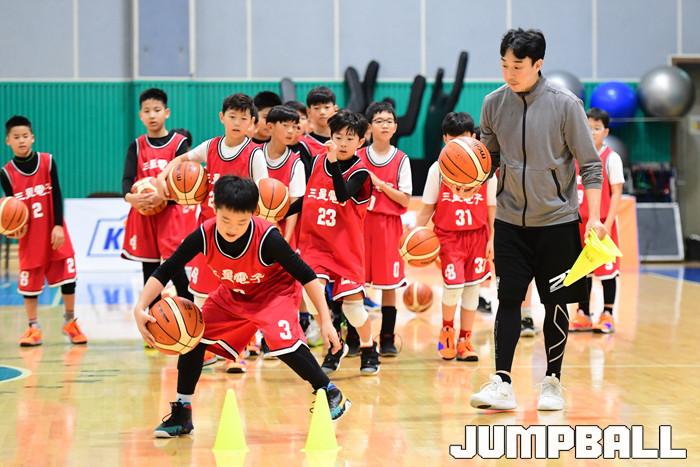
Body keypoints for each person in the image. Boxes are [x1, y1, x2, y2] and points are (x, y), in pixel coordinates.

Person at [132, 176, 350, 437]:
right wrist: (141, 306)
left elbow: (307, 276)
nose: (232, 228)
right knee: (193, 336)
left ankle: (329, 391)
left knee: (282, 344)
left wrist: (325, 320)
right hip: (234, 294)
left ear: (254, 214)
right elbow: (167, 268)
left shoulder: (268, 238)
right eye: (225, 220)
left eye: (241, 222)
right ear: (215, 209)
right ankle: (182, 412)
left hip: (274, 294)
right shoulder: (204, 234)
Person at [470, 28, 605, 411]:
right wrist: (471, 179)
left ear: (538, 64)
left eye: (517, 66)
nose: (509, 73)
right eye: (504, 65)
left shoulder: (566, 105)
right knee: (508, 299)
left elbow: (590, 165)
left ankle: (552, 381)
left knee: (556, 303)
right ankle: (502, 381)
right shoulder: (493, 104)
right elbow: (489, 159)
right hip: (510, 221)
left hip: (557, 223)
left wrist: (594, 218)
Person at [289, 110, 380, 375]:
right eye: (338, 137)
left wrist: (332, 162)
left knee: (354, 310)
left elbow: (341, 195)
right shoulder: (317, 161)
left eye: (349, 139)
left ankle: (368, 346)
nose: (342, 143)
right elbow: (307, 198)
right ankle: (334, 345)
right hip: (316, 246)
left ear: (360, 142)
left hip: (346, 249)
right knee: (311, 294)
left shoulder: (361, 173)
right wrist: (281, 211)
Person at [160, 93, 268, 308]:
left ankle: (245, 331)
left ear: (251, 122)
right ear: (222, 117)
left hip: (240, 233)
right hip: (208, 230)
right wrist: (162, 177)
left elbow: (264, 193)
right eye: (232, 116)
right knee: (202, 296)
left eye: (243, 118)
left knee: (240, 297)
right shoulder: (211, 146)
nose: (237, 123)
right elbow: (182, 159)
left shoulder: (254, 155)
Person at [416, 112, 496, 362]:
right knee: (453, 288)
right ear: (444, 139)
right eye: (453, 139)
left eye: (463, 138)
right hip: (449, 237)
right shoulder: (437, 169)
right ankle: (447, 333)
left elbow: (492, 208)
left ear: (473, 136)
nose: (459, 144)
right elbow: (427, 208)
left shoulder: (486, 169)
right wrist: (415, 234)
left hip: (478, 236)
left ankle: (465, 340)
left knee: (472, 290)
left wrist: (492, 239)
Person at [2, 115, 86, 346]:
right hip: (30, 237)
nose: (21, 140)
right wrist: (13, 229)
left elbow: (57, 193)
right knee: (30, 285)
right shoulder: (6, 173)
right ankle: (33, 327)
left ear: (33, 138)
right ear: (8, 141)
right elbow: (10, 206)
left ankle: (70, 322)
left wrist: (58, 224)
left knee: (68, 278)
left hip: (53, 232)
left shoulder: (47, 162)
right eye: (16, 137)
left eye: (25, 136)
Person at [351, 101, 413, 357]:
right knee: (356, 284)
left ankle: (387, 337)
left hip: (388, 227)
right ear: (369, 127)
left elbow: (405, 200)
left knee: (389, 285)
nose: (384, 125)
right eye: (379, 121)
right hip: (360, 225)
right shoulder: (357, 156)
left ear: (395, 127)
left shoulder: (401, 159)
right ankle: (354, 336)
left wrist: (380, 184)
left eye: (389, 121)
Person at [121, 89, 193, 305]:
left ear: (166, 112)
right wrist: (130, 198)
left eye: (157, 110)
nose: (152, 115)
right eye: (147, 111)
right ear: (140, 115)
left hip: (170, 214)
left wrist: (163, 197)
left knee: (175, 268)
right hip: (144, 215)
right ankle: (153, 323)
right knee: (150, 272)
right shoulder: (136, 145)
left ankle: (191, 319)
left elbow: (184, 182)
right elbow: (127, 179)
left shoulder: (179, 143)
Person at [569, 107, 625, 334]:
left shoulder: (611, 158)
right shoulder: (573, 156)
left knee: (607, 271)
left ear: (606, 132)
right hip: (578, 223)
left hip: (601, 223)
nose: (591, 132)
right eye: (588, 128)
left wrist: (608, 224)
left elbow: (617, 194)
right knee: (583, 270)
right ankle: (583, 313)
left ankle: (607, 313)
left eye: (597, 128)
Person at [299, 87, 337, 158]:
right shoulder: (302, 144)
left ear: (335, 109)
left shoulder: (344, 141)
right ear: (309, 111)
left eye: (327, 107)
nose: (322, 112)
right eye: (316, 108)